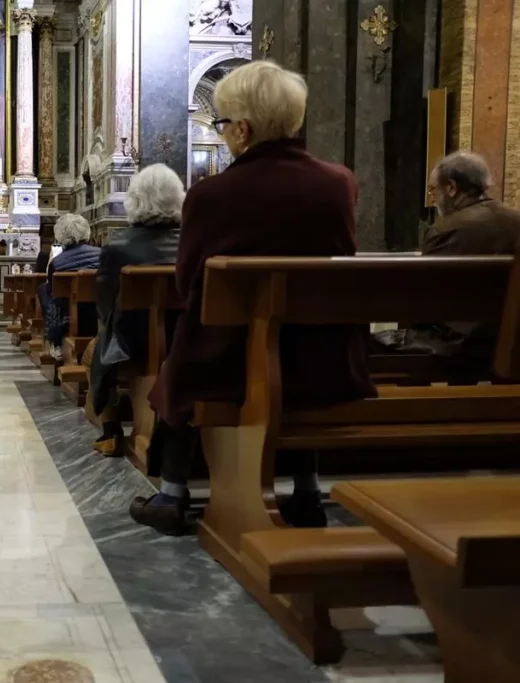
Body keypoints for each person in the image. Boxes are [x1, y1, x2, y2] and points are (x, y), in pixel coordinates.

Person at [129, 61, 376, 535]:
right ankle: (307, 491)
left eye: (221, 124)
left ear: (242, 130)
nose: (221, 133)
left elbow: (188, 284)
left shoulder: (210, 195)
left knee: (184, 355)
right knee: (294, 346)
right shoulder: (339, 183)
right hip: (325, 359)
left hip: (226, 363)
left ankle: (172, 495)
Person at [373, 151, 520, 372]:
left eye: (433, 190)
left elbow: (420, 299)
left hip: (454, 348)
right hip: (509, 345)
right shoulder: (516, 222)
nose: (432, 199)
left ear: (451, 188)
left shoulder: (445, 229)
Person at [89, 164, 182, 457]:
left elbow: (105, 308)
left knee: (97, 347)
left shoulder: (117, 248)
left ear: (134, 200)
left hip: (134, 345)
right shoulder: (192, 243)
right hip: (186, 339)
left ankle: (111, 431)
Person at [39, 214, 101, 360]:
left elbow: (55, 296)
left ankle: (55, 342)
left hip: (70, 317)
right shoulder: (102, 255)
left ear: (60, 235)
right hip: (99, 314)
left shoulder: (57, 263)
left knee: (44, 290)